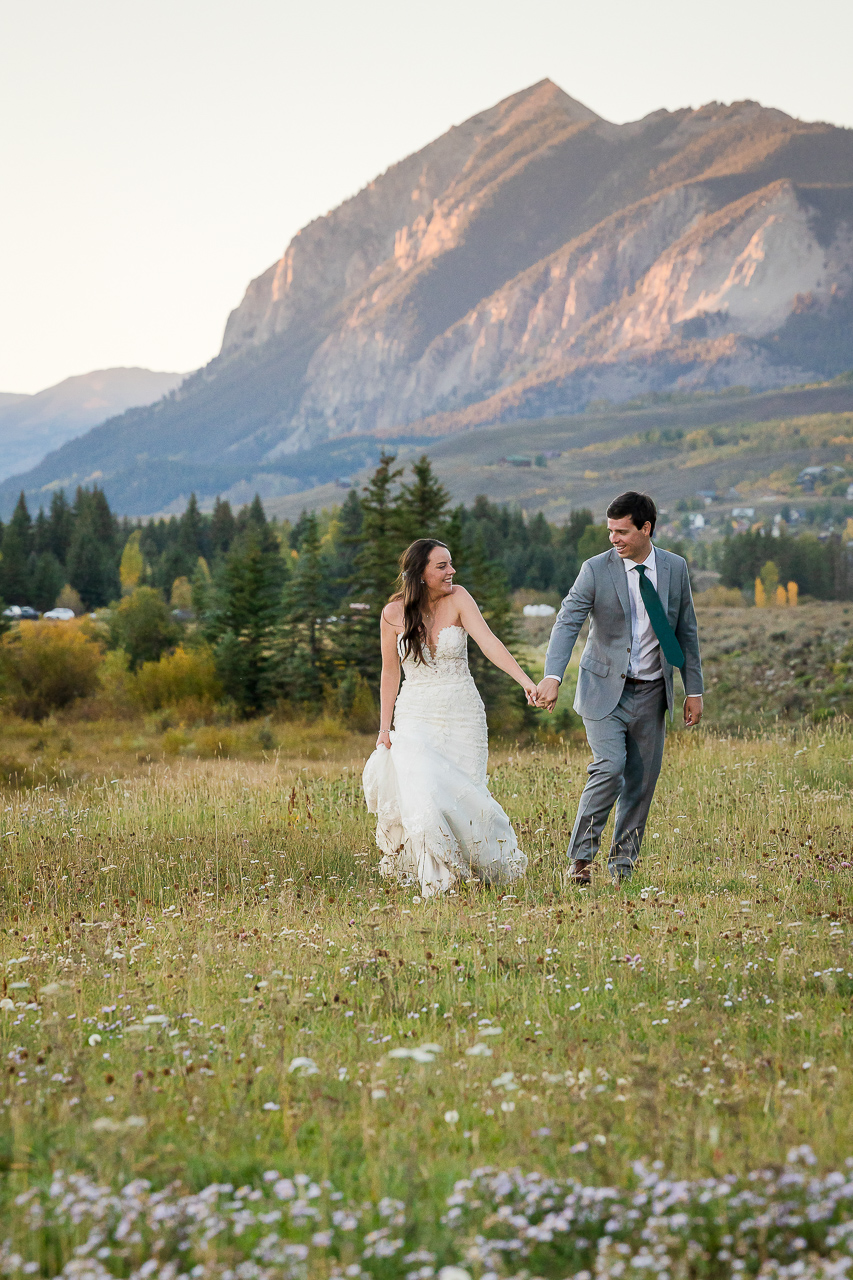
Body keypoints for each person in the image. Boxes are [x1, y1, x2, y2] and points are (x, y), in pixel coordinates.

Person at [535, 491, 703, 885]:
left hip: (652, 692)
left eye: (622, 531)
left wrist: (693, 690)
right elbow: (567, 621)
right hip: (603, 691)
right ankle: (579, 861)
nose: (613, 538)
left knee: (642, 783)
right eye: (610, 530)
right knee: (609, 767)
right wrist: (552, 675)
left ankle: (622, 867)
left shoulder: (675, 568)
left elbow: (686, 631)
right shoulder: (595, 570)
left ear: (646, 529)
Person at [362, 538, 538, 897]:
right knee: (424, 791)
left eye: (451, 564)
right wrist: (384, 729)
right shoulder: (391, 614)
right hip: (415, 716)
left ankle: (480, 867)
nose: (451, 571)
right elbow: (389, 674)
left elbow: (489, 643)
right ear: (420, 573)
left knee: (464, 793)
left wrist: (526, 682)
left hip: (462, 714)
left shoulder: (459, 599)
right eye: (441, 566)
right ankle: (439, 881)